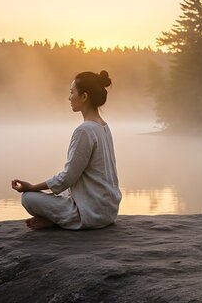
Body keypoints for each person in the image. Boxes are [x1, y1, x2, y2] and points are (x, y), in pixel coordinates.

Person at [11, 70, 121, 230]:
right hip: (108, 211)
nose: (69, 97)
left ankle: (59, 220)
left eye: (72, 92)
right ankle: (56, 219)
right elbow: (72, 180)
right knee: (62, 193)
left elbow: (67, 177)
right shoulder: (103, 126)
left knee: (28, 198)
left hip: (91, 214)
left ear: (84, 97)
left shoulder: (84, 130)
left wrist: (32, 187)